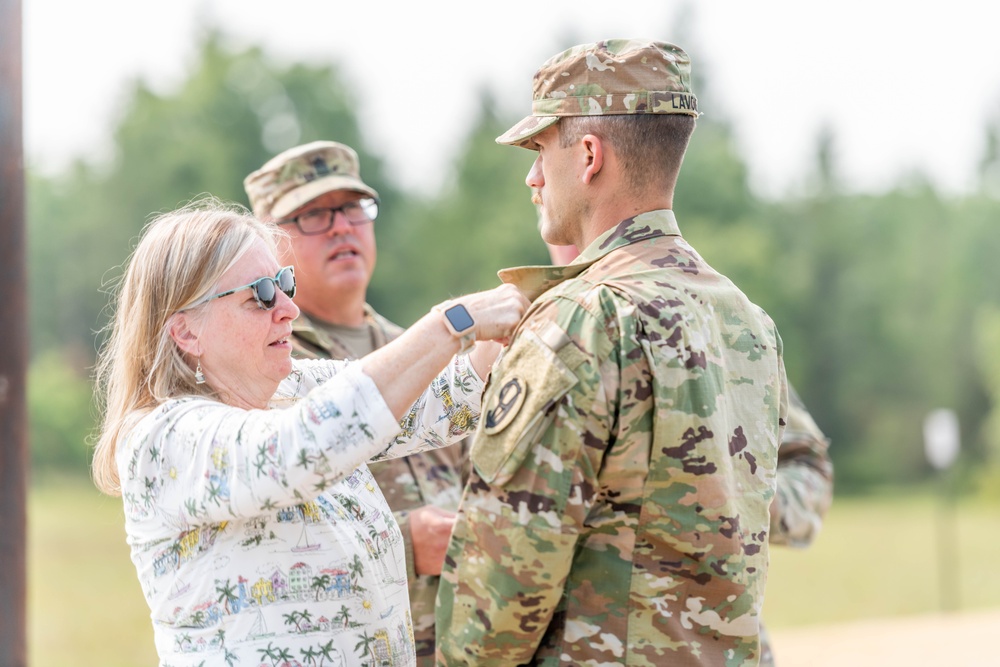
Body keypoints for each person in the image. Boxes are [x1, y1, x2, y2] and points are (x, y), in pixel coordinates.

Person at [435, 39, 789, 666]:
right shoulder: (747, 320)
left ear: (590, 156)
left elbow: (500, 590)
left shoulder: (582, 319)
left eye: (541, 149)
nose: (533, 176)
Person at [90, 197, 527, 667]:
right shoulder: (162, 439)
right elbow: (299, 448)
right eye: (260, 293)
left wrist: (519, 325)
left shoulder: (291, 387)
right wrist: (453, 323)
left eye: (284, 282)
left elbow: (446, 397)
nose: (289, 308)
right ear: (187, 333)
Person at [542, 245, 834, 666]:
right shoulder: (528, 332)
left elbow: (805, 463)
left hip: (714, 644)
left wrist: (731, 499)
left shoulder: (709, 322)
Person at [243, 140, 469, 665]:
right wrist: (404, 542)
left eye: (352, 208)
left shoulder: (418, 349)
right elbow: (257, 539)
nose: (342, 226)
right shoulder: (266, 366)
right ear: (268, 246)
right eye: (313, 215)